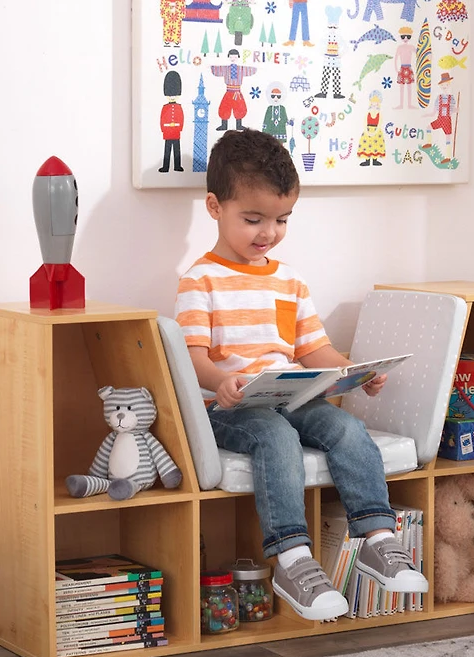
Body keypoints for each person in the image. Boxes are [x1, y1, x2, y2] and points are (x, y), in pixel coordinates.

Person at [174, 129, 428, 620]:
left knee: (346, 427)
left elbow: (315, 350)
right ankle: (292, 559)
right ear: (215, 207)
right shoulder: (199, 279)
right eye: (253, 219)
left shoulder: (289, 280)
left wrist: (353, 373)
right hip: (229, 406)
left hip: (288, 396)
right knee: (275, 437)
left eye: (282, 219)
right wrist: (219, 381)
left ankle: (377, 538)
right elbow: (191, 356)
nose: (268, 232)